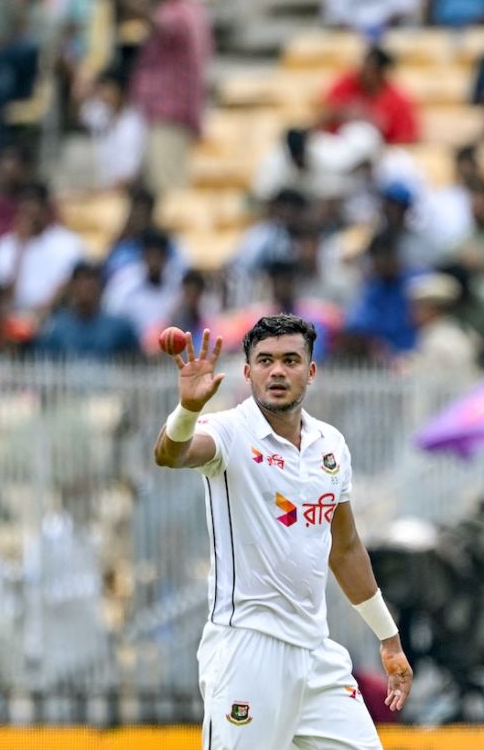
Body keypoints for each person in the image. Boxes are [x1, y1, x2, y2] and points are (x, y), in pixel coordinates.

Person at [152, 315, 413, 746]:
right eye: (265, 360)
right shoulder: (230, 432)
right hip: (247, 650)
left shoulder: (331, 444)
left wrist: (389, 639)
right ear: (248, 371)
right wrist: (189, 409)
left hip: (316, 653)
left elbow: (345, 548)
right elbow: (170, 454)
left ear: (310, 371)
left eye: (291, 360)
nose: (277, 371)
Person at [107, 0, 212, 192]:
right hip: (162, 114)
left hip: (170, 115)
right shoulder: (191, 9)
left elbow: (153, 20)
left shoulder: (179, 13)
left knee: (169, 190)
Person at [0, 181, 84, 319]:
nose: (30, 212)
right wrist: (20, 248)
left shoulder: (69, 243)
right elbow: (4, 298)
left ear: (46, 208)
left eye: (34, 204)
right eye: (24, 206)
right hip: (14, 319)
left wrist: (42, 312)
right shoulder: (4, 247)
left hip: (58, 316)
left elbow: (72, 286)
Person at [33, 262, 141, 356]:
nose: (86, 289)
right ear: (72, 288)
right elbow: (44, 366)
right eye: (81, 284)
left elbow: (135, 364)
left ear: (100, 288)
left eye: (91, 284)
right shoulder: (56, 328)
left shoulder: (120, 328)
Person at [322, 46, 421, 145]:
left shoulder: (397, 101)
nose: (364, 74)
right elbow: (320, 118)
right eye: (364, 68)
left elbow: (406, 138)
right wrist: (341, 113)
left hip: (379, 152)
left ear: (382, 74)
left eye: (371, 71)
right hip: (338, 146)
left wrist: (377, 126)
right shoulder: (347, 84)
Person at [104, 227, 183, 339]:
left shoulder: (179, 284)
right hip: (131, 349)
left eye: (158, 256)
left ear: (166, 258)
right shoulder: (124, 283)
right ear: (142, 256)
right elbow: (111, 320)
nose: (154, 262)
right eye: (150, 256)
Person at [80, 67, 147, 189]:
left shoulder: (134, 125)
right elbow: (82, 110)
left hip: (124, 190)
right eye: (101, 90)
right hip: (104, 185)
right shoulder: (101, 114)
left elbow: (129, 175)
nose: (104, 95)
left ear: (121, 92)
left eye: (108, 90)